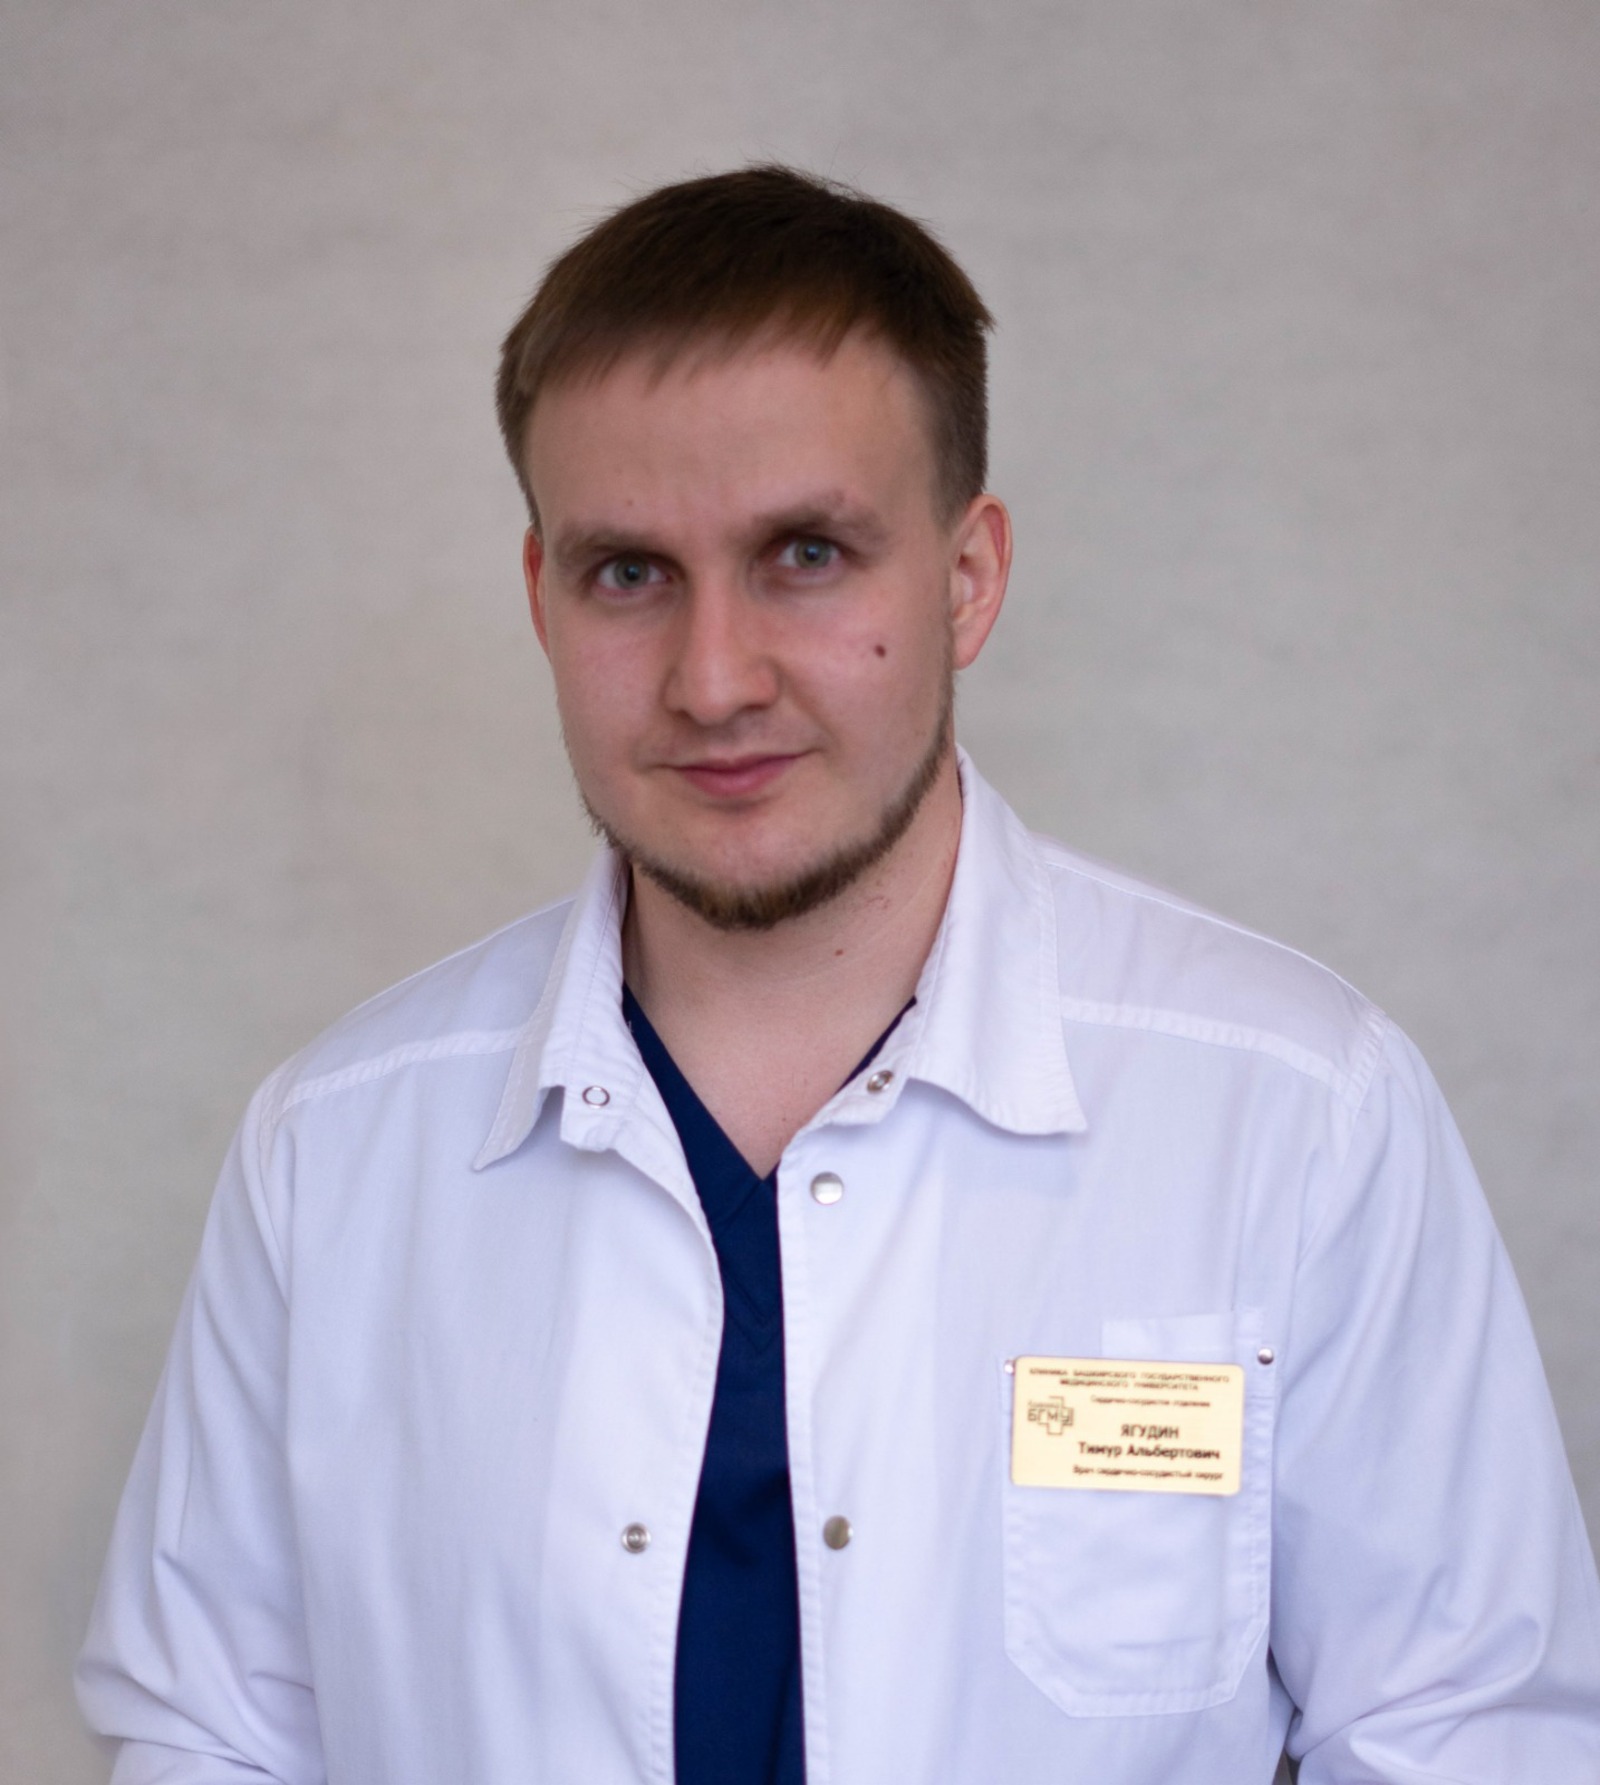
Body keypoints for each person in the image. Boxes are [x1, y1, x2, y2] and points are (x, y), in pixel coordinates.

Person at [77, 165, 1600, 1785]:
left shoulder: (1289, 1116)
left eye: (804, 552)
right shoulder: (334, 1153)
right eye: (628, 572)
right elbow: (212, 1741)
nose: (712, 678)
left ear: (968, 576)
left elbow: (1468, 1741)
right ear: (541, 599)